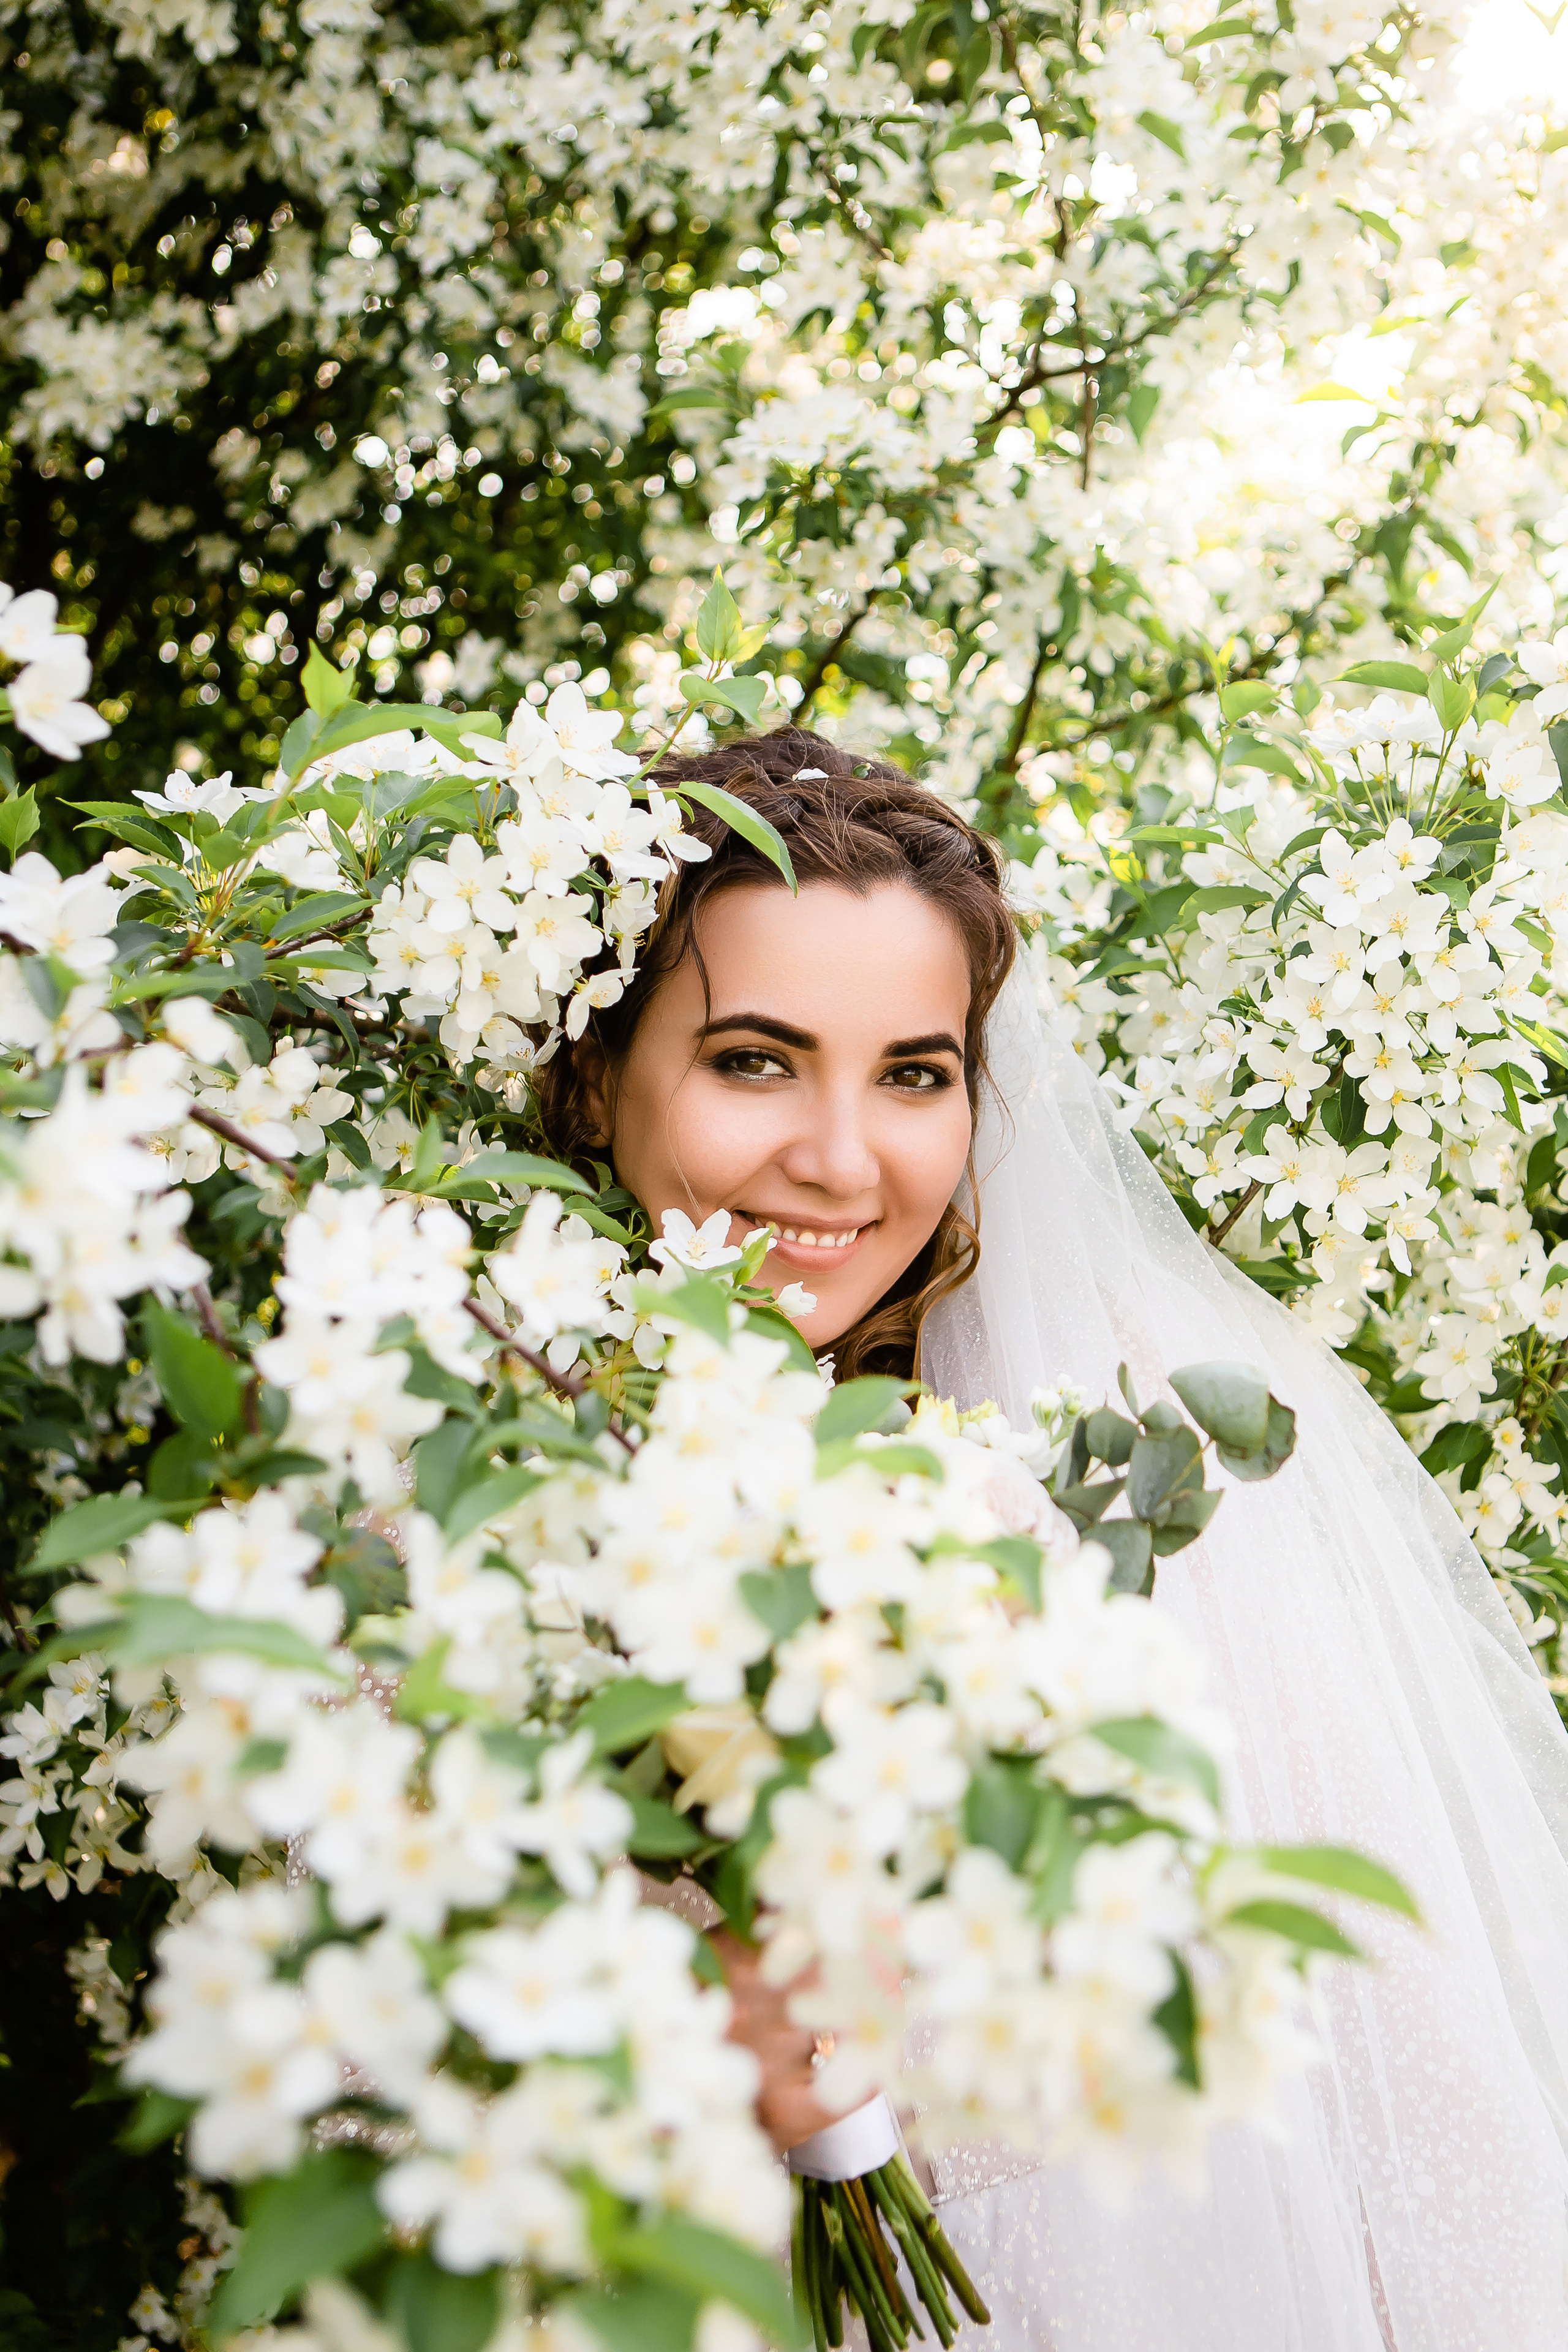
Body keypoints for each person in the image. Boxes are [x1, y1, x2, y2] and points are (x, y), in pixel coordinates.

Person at [537, 726, 1568, 2351]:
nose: (841, 1159)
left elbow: (1417, 2105)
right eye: (754, 1061)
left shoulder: (1099, 1476)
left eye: (913, 1074)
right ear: (597, 1073)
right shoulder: (463, 1512)